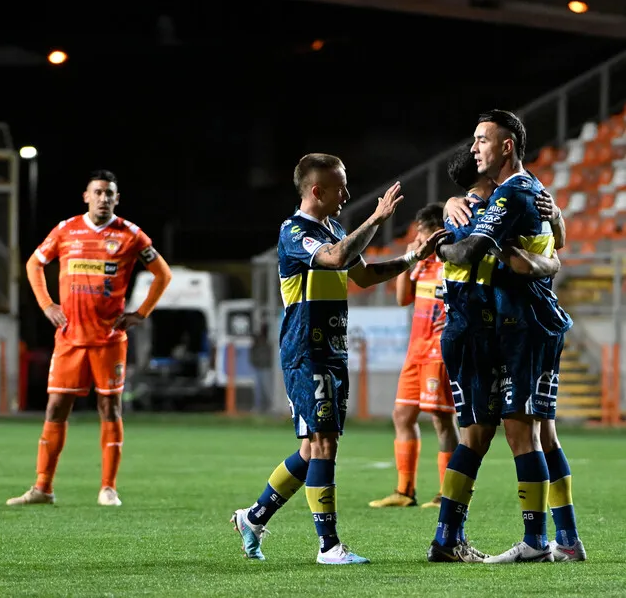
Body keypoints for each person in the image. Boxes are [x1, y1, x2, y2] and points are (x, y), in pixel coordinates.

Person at [230, 153, 448, 565]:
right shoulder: (296, 233)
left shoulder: (333, 228)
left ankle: (253, 517)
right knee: (323, 443)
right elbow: (334, 258)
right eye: (340, 187)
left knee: (314, 450)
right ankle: (329, 547)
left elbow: (361, 275)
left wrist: (412, 259)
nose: (347, 193)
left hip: (332, 351)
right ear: (317, 191)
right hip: (306, 352)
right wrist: (377, 219)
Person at [433, 110, 573, 563]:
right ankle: (557, 539)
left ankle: (539, 542)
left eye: (482, 140)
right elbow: (537, 252)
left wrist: (438, 242)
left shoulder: (512, 196)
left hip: (517, 329)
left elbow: (484, 250)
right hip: (484, 332)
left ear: (506, 146)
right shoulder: (501, 200)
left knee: (520, 433)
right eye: (473, 143)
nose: (475, 148)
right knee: (519, 434)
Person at [6, 169, 173, 507]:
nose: (103, 198)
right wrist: (47, 304)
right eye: (97, 192)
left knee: (109, 406)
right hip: (69, 338)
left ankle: (108, 487)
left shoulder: (130, 235)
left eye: (109, 193)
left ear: (116, 198)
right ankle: (43, 488)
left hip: (109, 339)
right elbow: (33, 265)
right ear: (86, 196)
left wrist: (141, 313)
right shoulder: (66, 230)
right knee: (56, 407)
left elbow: (162, 274)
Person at [368, 203, 458, 509]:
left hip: (439, 351)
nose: (416, 236)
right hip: (415, 350)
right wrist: (409, 260)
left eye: (420, 230)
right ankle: (405, 491)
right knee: (402, 415)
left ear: (436, 231)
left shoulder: (452, 260)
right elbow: (401, 298)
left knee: (441, 419)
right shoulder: (421, 263)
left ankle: (448, 493)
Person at [250, 322, 273, 414]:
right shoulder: (258, 343)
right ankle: (259, 407)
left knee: (266, 388)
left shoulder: (268, 342)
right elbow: (253, 355)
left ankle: (267, 406)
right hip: (260, 367)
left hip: (266, 368)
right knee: (258, 389)